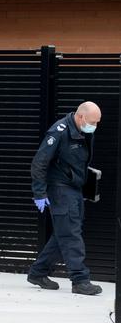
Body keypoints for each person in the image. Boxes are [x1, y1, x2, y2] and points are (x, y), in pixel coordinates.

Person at [28, 101, 102, 295]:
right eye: (92, 122)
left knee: (65, 231)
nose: (94, 126)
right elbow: (39, 163)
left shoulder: (85, 131)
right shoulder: (59, 132)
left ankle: (38, 271)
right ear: (80, 117)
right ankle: (80, 279)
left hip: (74, 188)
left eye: (97, 122)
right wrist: (39, 193)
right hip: (59, 188)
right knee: (70, 233)